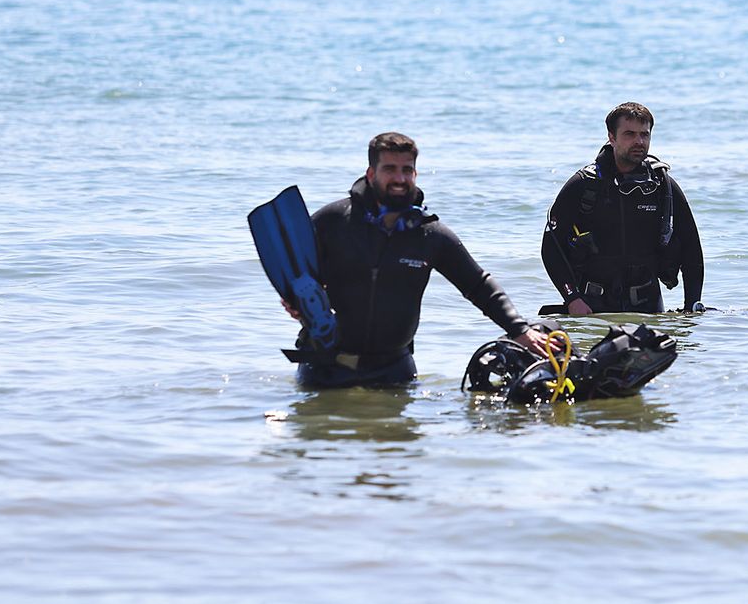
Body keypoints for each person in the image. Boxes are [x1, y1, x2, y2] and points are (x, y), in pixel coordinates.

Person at [285, 132, 548, 389]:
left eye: (407, 170)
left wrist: (519, 330)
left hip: (393, 372)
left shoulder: (429, 234)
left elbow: (478, 285)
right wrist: (293, 300)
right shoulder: (333, 221)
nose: (399, 178)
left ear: (415, 174)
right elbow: (294, 271)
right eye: (390, 169)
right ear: (371, 173)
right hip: (324, 370)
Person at [542, 102, 704, 315]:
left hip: (648, 306)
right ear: (611, 137)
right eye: (629, 134)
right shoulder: (584, 185)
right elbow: (551, 248)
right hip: (591, 306)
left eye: (644, 135)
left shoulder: (661, 186)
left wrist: (692, 306)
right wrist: (572, 298)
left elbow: (691, 249)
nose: (639, 141)